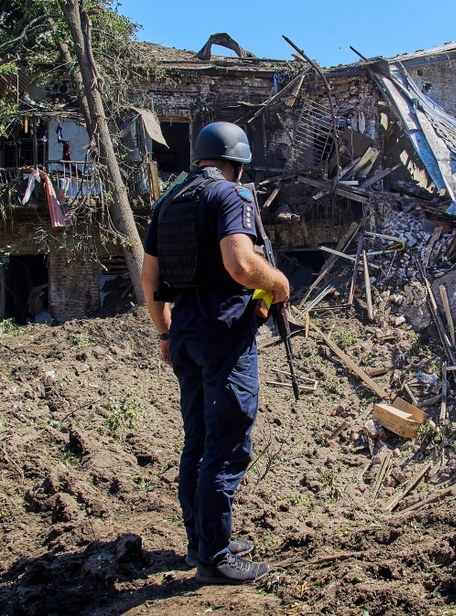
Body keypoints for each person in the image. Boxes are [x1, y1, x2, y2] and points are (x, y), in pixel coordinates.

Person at [141, 121, 290, 585]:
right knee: (224, 448)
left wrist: (165, 334)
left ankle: (199, 543)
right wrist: (279, 285)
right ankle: (215, 558)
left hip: (184, 335)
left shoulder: (167, 202)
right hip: (224, 338)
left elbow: (149, 279)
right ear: (237, 163)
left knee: (199, 442)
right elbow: (241, 265)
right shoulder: (229, 195)